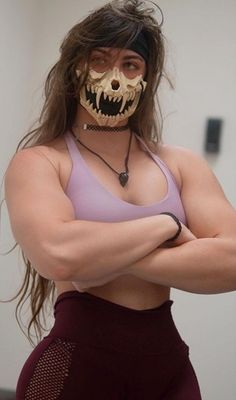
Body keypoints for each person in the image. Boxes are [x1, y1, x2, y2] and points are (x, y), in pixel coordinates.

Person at [4, 0, 236, 399]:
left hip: (169, 369)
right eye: (100, 59)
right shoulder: (40, 162)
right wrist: (168, 226)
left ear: (146, 78)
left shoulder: (180, 164)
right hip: (73, 368)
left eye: (131, 64)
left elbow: (232, 261)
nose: (116, 75)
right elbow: (58, 256)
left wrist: (98, 260)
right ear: (74, 70)